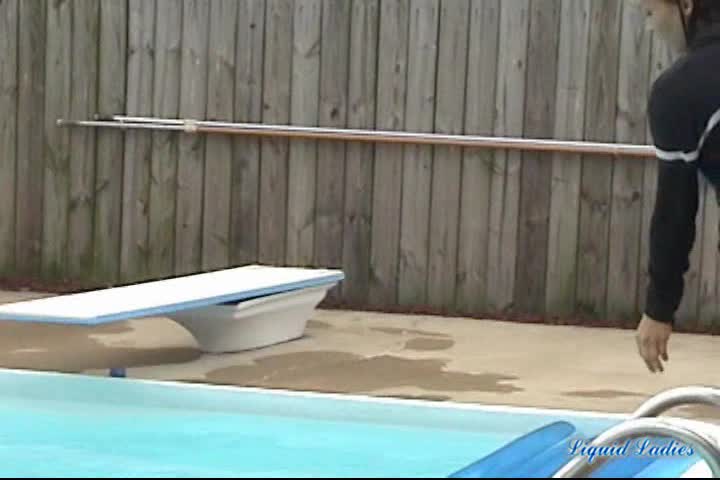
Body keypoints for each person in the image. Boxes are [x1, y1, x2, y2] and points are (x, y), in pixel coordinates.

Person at [638, 0, 720, 373]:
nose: (651, 26)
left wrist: (659, 308)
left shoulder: (680, 92)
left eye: (651, 12)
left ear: (686, 5)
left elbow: (675, 210)